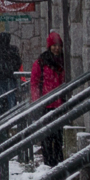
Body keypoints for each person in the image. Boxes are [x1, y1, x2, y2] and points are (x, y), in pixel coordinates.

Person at [31, 32, 68, 165]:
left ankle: (58, 163)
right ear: (49, 46)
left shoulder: (64, 61)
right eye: (54, 45)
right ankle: (48, 164)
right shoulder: (41, 62)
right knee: (47, 137)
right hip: (46, 105)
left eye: (59, 45)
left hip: (59, 105)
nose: (57, 48)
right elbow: (34, 83)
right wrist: (37, 101)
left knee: (58, 137)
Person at [0, 32, 23, 123]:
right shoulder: (13, 50)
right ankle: (12, 118)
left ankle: (1, 118)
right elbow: (18, 62)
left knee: (1, 99)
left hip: (0, 78)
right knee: (11, 98)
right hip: (10, 77)